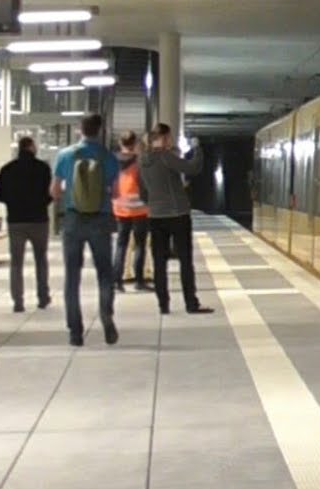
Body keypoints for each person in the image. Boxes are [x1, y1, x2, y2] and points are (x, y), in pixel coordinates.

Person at [51, 113, 121, 347]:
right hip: (100, 220)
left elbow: (55, 192)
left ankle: (75, 331)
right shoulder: (108, 158)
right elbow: (117, 193)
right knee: (104, 273)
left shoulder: (65, 155)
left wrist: (72, 193)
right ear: (100, 130)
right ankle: (106, 315)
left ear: (80, 129)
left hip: (73, 219)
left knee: (72, 276)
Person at [139, 123, 213, 315]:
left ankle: (163, 304)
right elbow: (193, 168)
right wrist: (197, 148)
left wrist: (154, 203)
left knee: (159, 262)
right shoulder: (165, 157)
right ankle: (191, 303)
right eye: (169, 137)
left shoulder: (142, 160)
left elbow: (142, 191)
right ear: (163, 138)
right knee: (185, 260)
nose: (171, 141)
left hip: (155, 216)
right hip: (177, 213)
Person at [0, 137, 53, 313]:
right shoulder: (43, 168)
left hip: (16, 221)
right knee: (41, 259)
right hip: (39, 220)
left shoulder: (7, 169)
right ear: (31, 147)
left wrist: (13, 202)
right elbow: (50, 193)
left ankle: (18, 301)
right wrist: (42, 203)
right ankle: (43, 297)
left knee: (16, 263)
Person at [112, 131, 150, 293]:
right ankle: (139, 281)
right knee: (140, 245)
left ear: (120, 143)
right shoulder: (141, 161)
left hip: (120, 207)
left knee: (121, 244)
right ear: (135, 144)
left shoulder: (112, 161)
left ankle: (117, 282)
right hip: (140, 208)